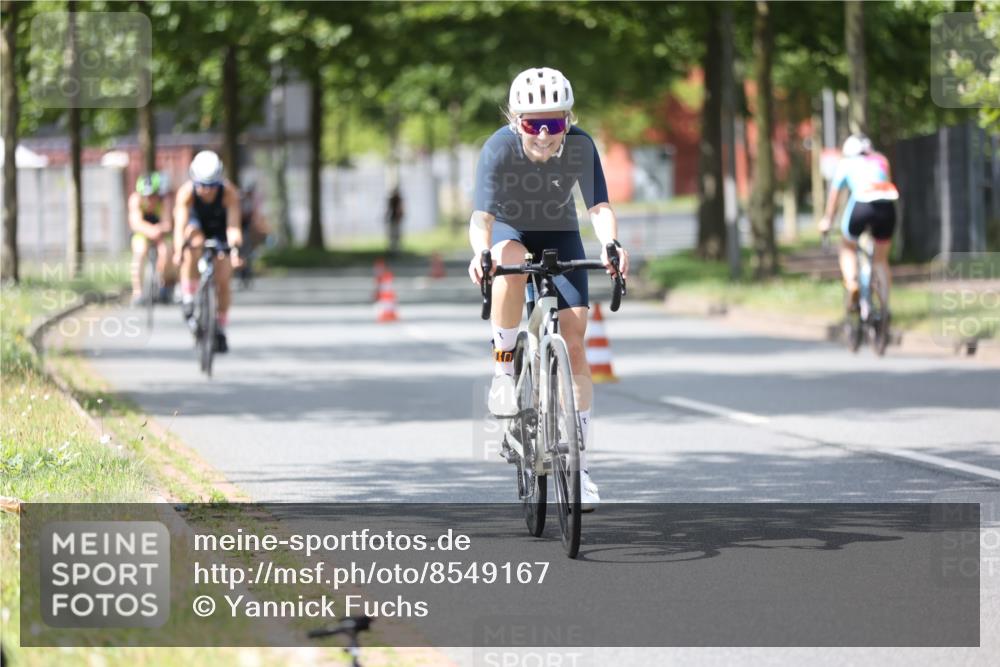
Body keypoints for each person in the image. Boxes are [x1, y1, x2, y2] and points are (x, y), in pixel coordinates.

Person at [467, 67, 630, 510]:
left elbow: (598, 207)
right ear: (515, 121)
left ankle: (580, 470)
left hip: (561, 234)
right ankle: (504, 370)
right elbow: (482, 217)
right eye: (531, 123)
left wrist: (611, 245)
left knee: (575, 344)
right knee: (511, 263)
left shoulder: (580, 146)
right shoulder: (498, 148)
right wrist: (481, 253)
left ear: (568, 120)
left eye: (554, 122)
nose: (543, 134)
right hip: (511, 229)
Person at [819, 134, 898, 322]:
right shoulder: (881, 160)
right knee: (881, 260)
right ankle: (885, 307)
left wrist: (828, 220)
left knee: (847, 246)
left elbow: (834, 196)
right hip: (887, 206)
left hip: (862, 205)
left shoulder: (846, 163)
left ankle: (852, 282)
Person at [172, 150, 243, 353]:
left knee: (224, 278)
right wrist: (178, 250)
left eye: (212, 186)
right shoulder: (186, 193)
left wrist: (235, 250)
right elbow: (180, 226)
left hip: (220, 228)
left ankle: (220, 325)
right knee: (192, 244)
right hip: (196, 226)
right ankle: (188, 296)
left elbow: (233, 226)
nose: (207, 190)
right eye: (202, 185)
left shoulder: (229, 192)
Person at [128, 172, 175, 306]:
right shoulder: (135, 200)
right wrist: (151, 231)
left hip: (161, 233)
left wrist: (158, 231)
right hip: (143, 232)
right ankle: (137, 292)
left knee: (166, 252)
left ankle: (164, 284)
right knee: (139, 253)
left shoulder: (165, 201)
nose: (149, 199)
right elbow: (135, 223)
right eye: (146, 196)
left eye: (153, 195)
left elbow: (167, 223)